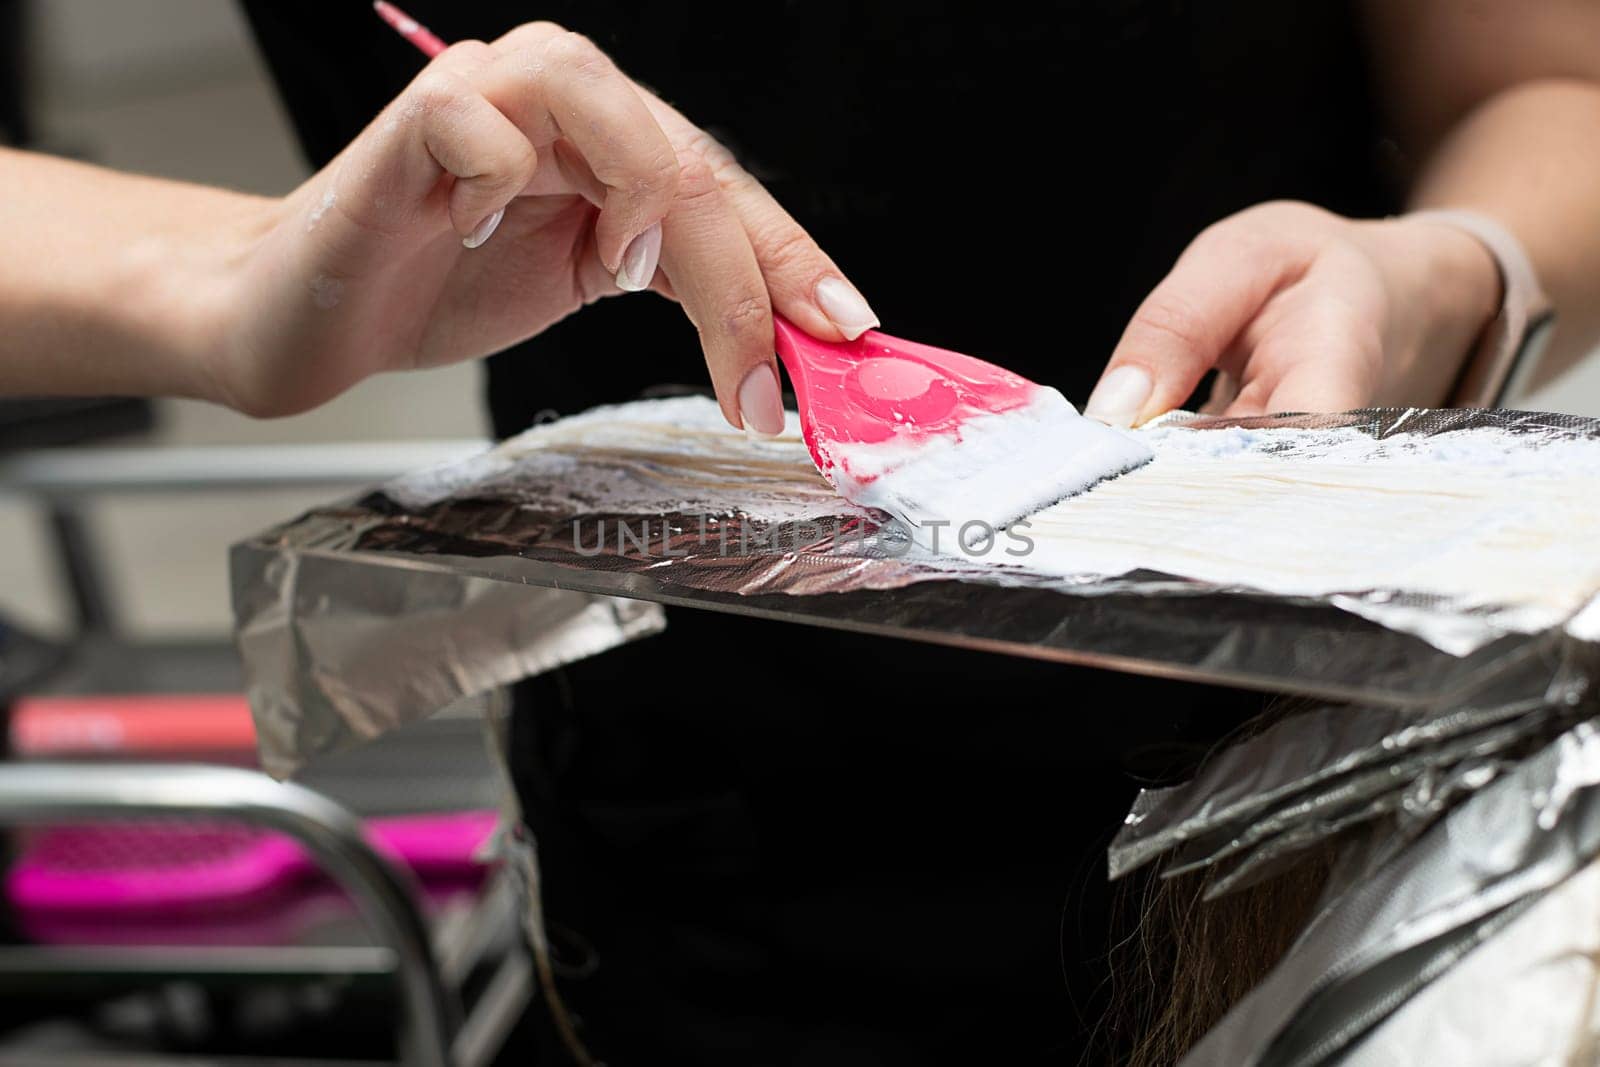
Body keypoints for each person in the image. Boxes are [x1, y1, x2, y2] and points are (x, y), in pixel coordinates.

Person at [2, 1, 1598, 1061]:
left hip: (1324, 822)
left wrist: (1455, 264)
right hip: (697, 860)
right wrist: (215, 283)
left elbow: (1550, 84)